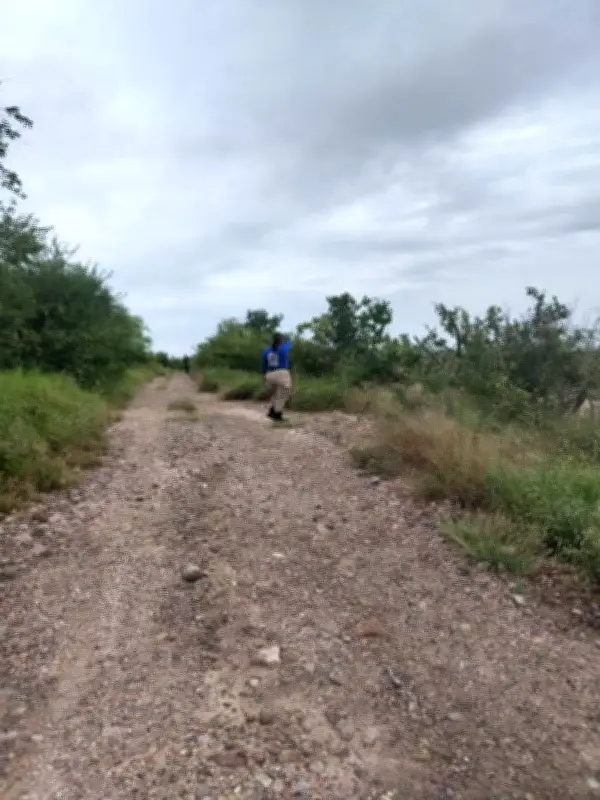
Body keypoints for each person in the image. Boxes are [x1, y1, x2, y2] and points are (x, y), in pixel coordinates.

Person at [261, 332, 292, 421]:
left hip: (269, 375)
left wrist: (264, 376)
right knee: (284, 393)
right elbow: (290, 343)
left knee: (277, 393)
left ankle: (272, 411)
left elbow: (263, 365)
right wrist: (287, 339)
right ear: (281, 340)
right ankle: (277, 414)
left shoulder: (266, 350)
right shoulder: (284, 348)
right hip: (282, 373)